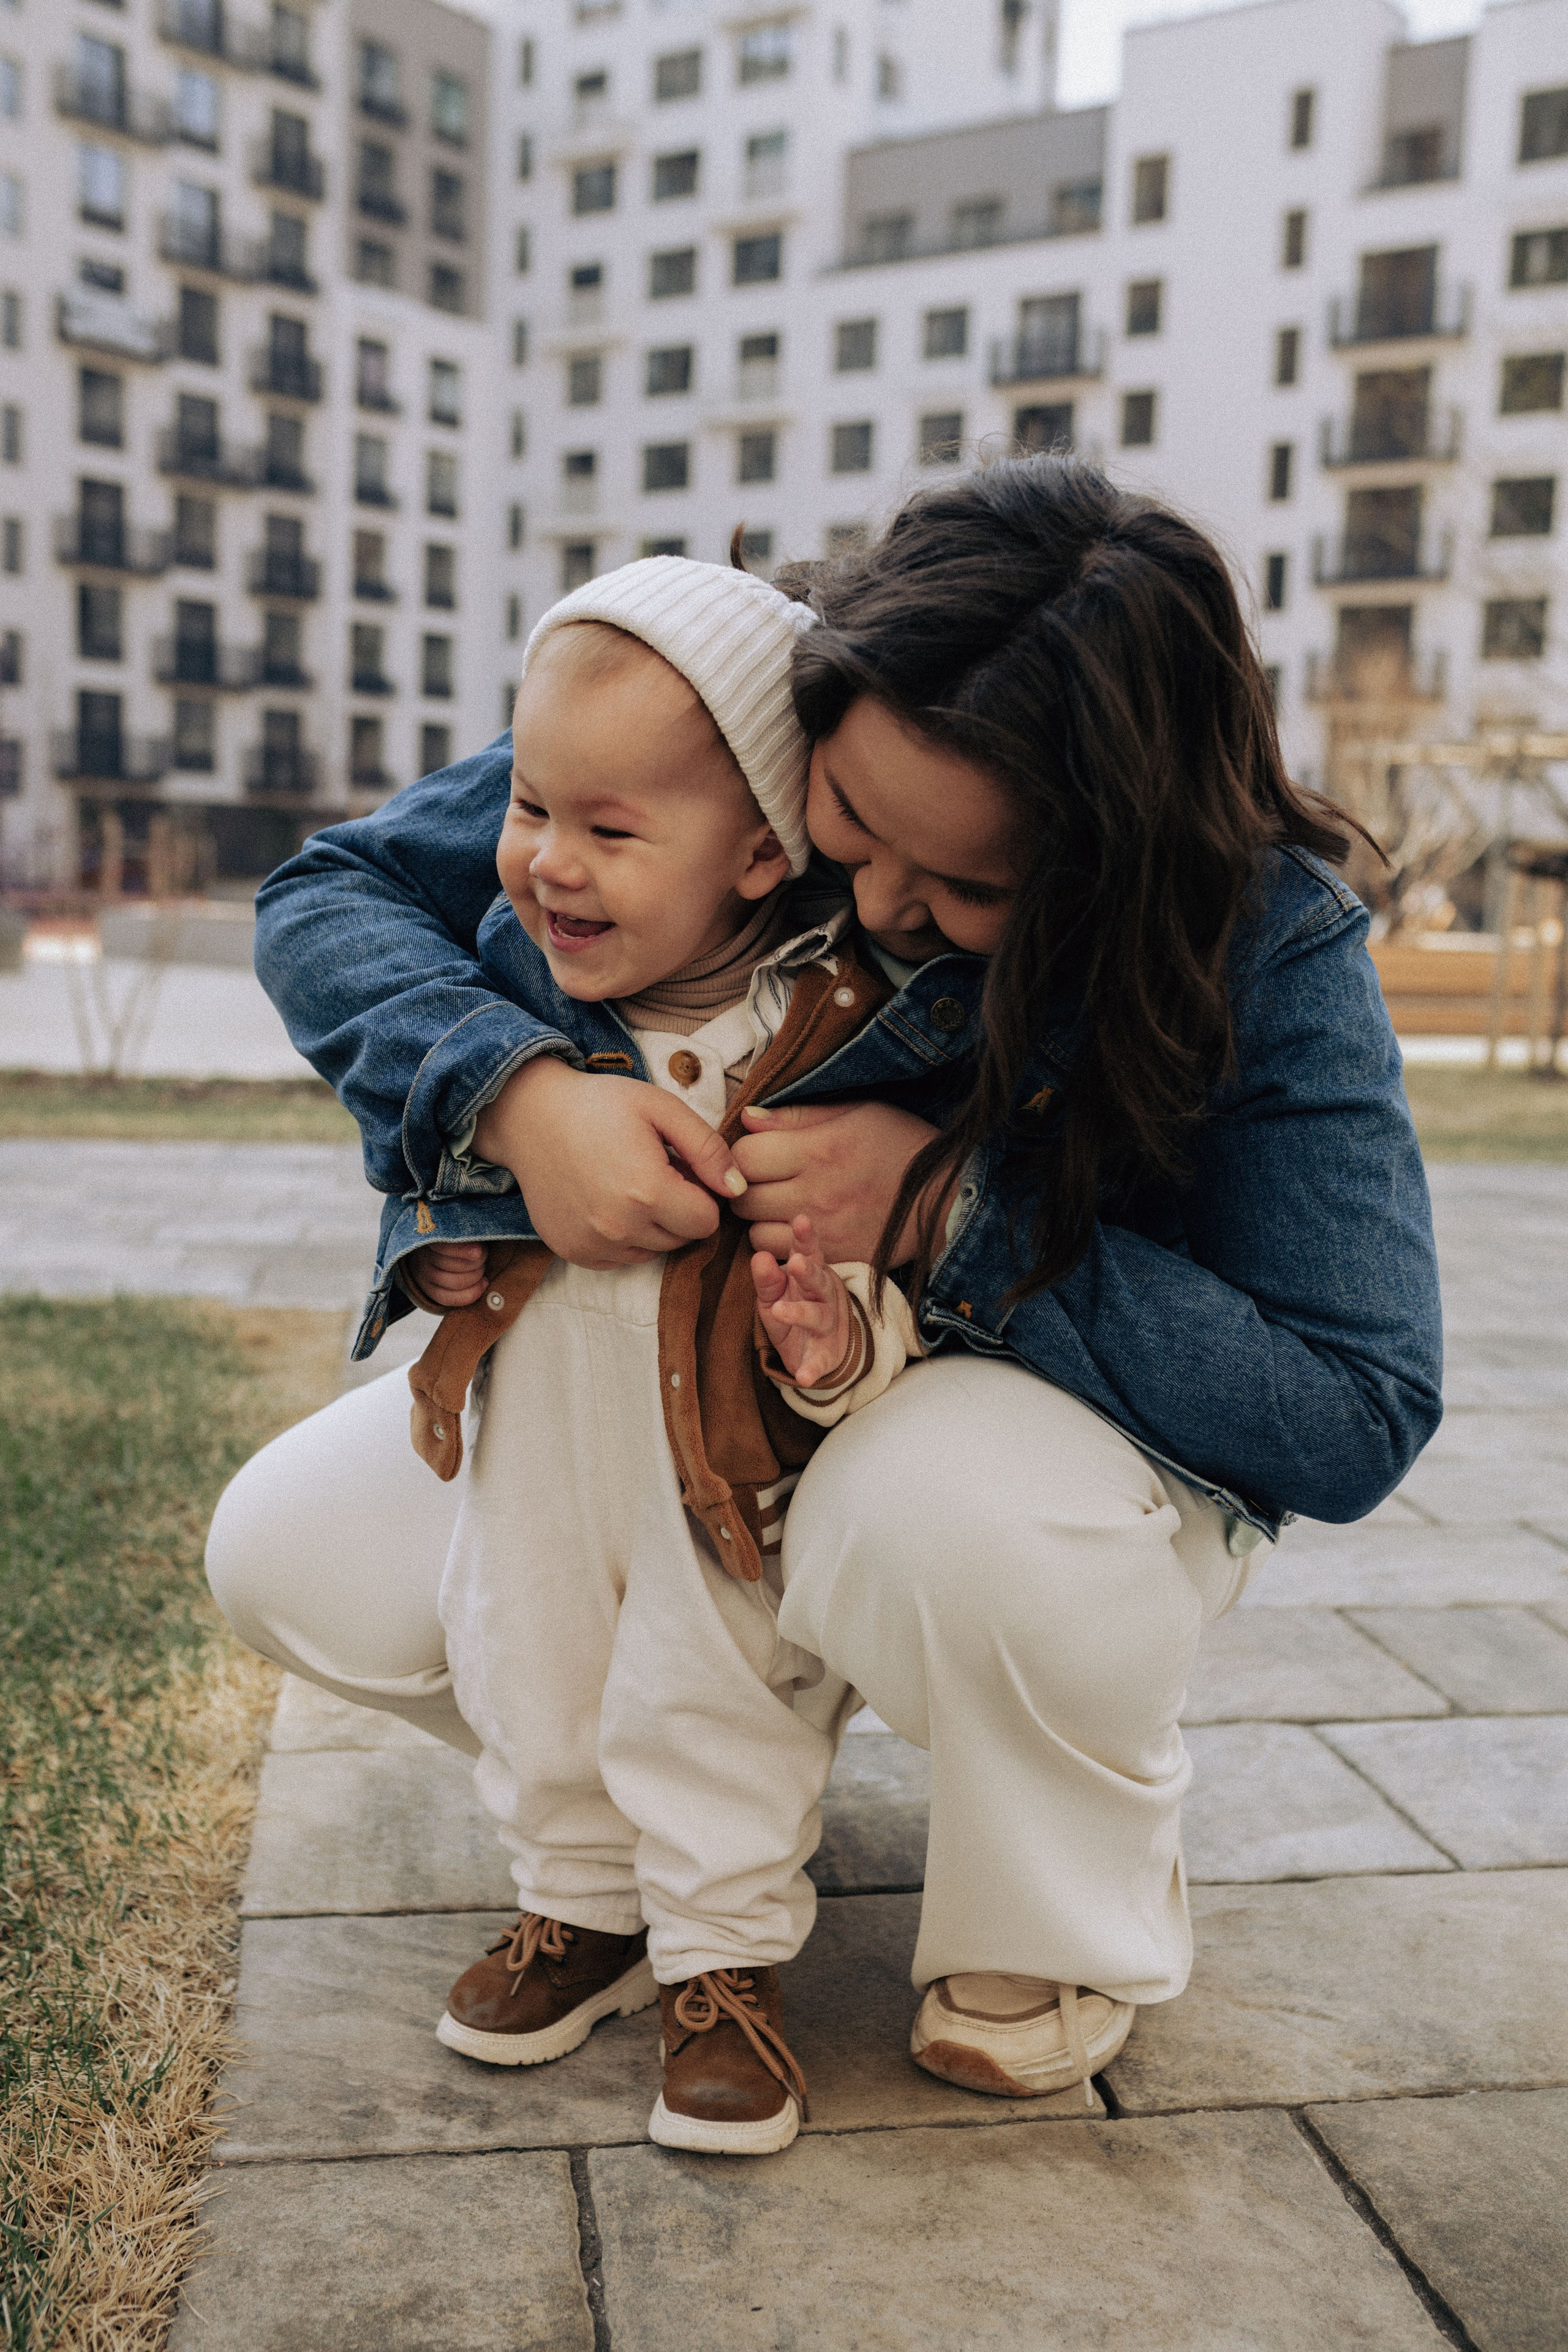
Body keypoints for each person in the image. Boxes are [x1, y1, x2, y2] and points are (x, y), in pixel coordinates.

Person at [209, 456, 1442, 2132]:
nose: (873, 903)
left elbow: (1358, 1408)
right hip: (662, 1389)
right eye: (846, 828)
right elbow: (331, 894)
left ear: (1115, 858)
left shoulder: (1268, 938)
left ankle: (1060, 1907)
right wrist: (521, 1097)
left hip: (1015, 1446)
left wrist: (947, 1211)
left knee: (929, 1519)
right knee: (293, 1554)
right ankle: (639, 1837)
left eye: (969, 890)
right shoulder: (736, 694)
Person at [393, 555, 922, 2160]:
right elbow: (427, 1163)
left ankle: (720, 1961)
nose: (547, 862)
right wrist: (444, 1246)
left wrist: (836, 1343)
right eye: (529, 806)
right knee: (528, 1654)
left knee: (718, 1692)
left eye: (611, 832)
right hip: (541, 1448)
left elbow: (896, 1279)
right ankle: (579, 1908)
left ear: (761, 851)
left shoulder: (835, 1028)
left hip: (722, 1467)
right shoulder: (515, 1003)